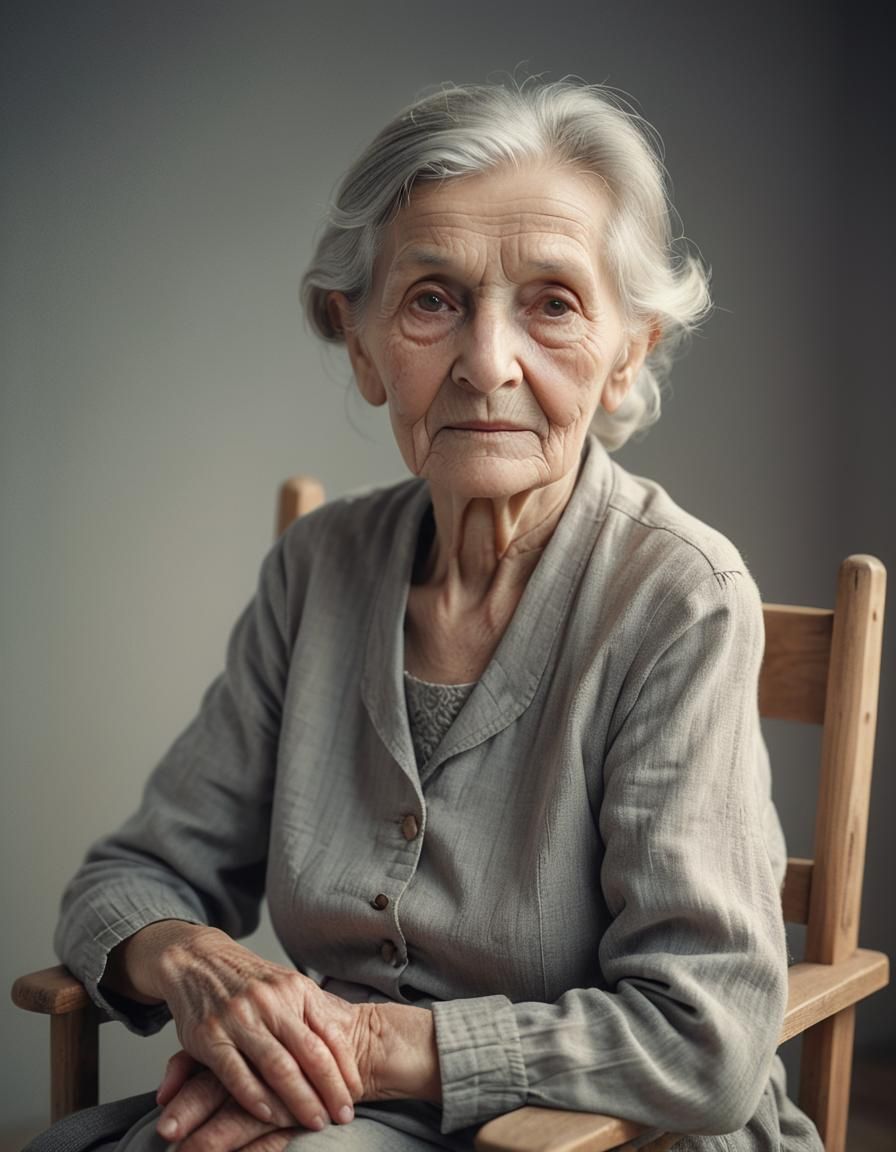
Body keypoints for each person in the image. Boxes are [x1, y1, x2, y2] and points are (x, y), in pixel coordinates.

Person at [34, 79, 824, 1152]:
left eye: (551, 302)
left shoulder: (678, 596)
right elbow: (125, 881)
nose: (488, 362)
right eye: (432, 300)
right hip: (333, 1103)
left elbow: (705, 1038)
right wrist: (195, 964)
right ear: (359, 343)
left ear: (626, 349)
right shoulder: (319, 567)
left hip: (604, 1127)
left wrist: (353, 1046)